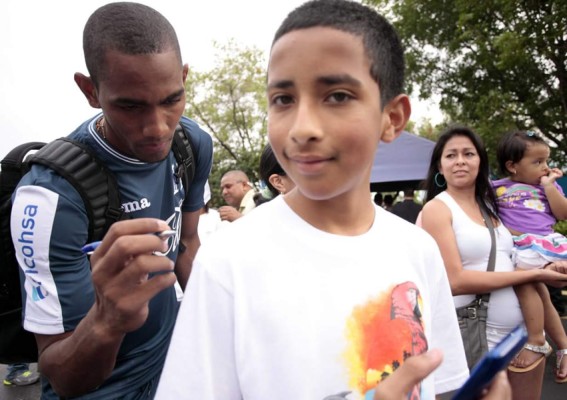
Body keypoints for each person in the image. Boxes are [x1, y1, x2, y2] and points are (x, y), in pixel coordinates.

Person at [156, 1, 472, 398]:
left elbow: (442, 385)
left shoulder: (419, 249)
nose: (302, 128)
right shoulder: (228, 262)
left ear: (392, 117)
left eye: (337, 96)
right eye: (283, 99)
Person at [9, 3, 213, 398]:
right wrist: (107, 320)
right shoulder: (51, 195)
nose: (158, 128)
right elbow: (61, 375)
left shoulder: (191, 144)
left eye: (172, 99)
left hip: (174, 370)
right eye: (130, 106)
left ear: (184, 78)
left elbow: (187, 246)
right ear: (90, 91)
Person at [420, 125, 567, 399]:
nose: (461, 160)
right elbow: (455, 281)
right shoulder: (437, 209)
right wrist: (530, 275)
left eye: (469, 153)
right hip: (476, 335)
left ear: (481, 162)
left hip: (523, 337)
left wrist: (548, 268)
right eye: (451, 155)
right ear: (440, 166)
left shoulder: (494, 205)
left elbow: (518, 252)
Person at [493, 130, 567, 383]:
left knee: (525, 281)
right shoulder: (498, 188)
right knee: (535, 288)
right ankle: (563, 346)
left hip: (545, 243)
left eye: (546, 161)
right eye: (537, 162)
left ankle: (537, 339)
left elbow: (563, 213)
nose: (545, 168)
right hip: (520, 246)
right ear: (512, 166)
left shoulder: (548, 185)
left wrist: (549, 187)